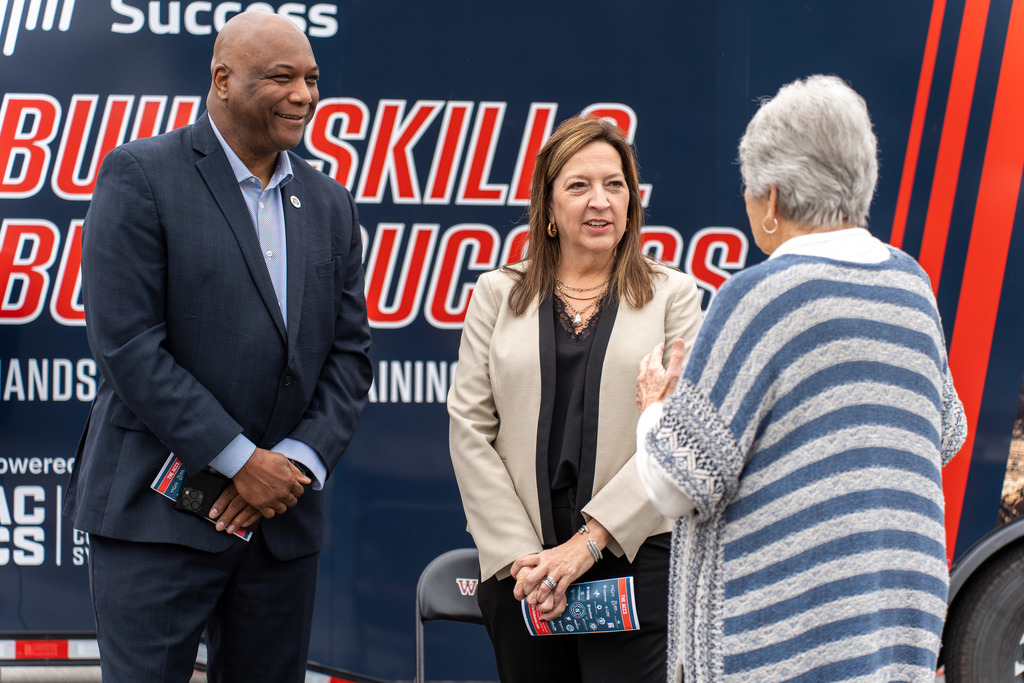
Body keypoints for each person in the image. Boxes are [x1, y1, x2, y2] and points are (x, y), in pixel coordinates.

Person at [63, 10, 373, 681]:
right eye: (282, 78)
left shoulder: (329, 204)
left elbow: (349, 359)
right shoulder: (141, 176)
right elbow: (128, 346)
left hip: (279, 525)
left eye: (313, 79)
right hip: (157, 520)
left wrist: (292, 463)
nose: (304, 96)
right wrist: (237, 460)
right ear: (223, 80)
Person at [634, 75, 968, 683]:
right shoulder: (910, 286)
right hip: (894, 629)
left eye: (749, 188)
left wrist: (658, 407)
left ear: (773, 198)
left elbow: (678, 485)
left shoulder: (758, 299)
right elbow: (942, 432)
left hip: (783, 639)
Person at [447, 116, 703, 682]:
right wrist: (525, 562)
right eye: (579, 185)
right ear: (549, 205)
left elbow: (679, 435)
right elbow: (468, 427)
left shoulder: (673, 296)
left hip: (634, 561)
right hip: (525, 576)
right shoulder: (497, 293)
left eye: (615, 185)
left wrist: (587, 545)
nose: (601, 201)